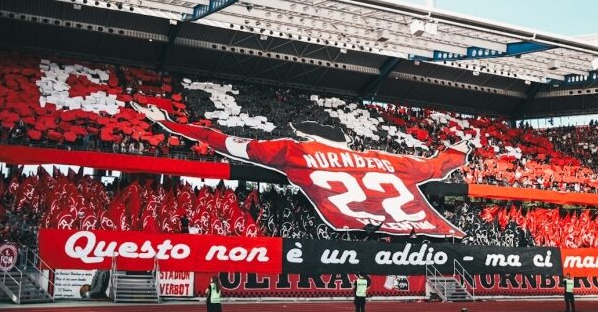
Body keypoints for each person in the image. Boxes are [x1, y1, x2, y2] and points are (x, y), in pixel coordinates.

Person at [131, 102, 473, 238]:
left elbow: (224, 142)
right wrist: (459, 152)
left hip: (346, 229)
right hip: (428, 234)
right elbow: (436, 166)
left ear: (308, 136)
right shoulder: (392, 161)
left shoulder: (294, 150)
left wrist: (171, 124)